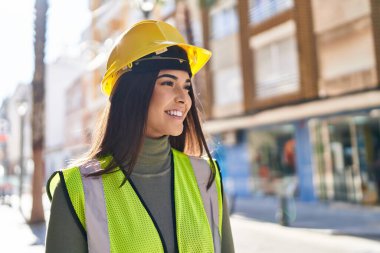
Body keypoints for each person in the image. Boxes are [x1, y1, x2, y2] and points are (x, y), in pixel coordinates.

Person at [45, 20, 234, 253]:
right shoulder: (76, 189)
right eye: (168, 83)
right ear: (132, 91)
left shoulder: (208, 178)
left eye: (186, 86)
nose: (184, 98)